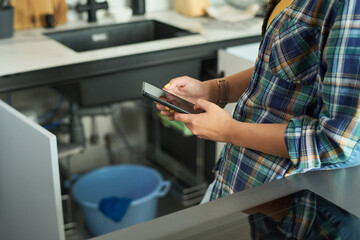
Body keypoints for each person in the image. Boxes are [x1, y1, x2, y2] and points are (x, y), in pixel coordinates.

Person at [156, 0, 360, 202]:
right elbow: (278, 68)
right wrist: (211, 90)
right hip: (237, 176)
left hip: (285, 199)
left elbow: (333, 141)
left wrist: (228, 130)